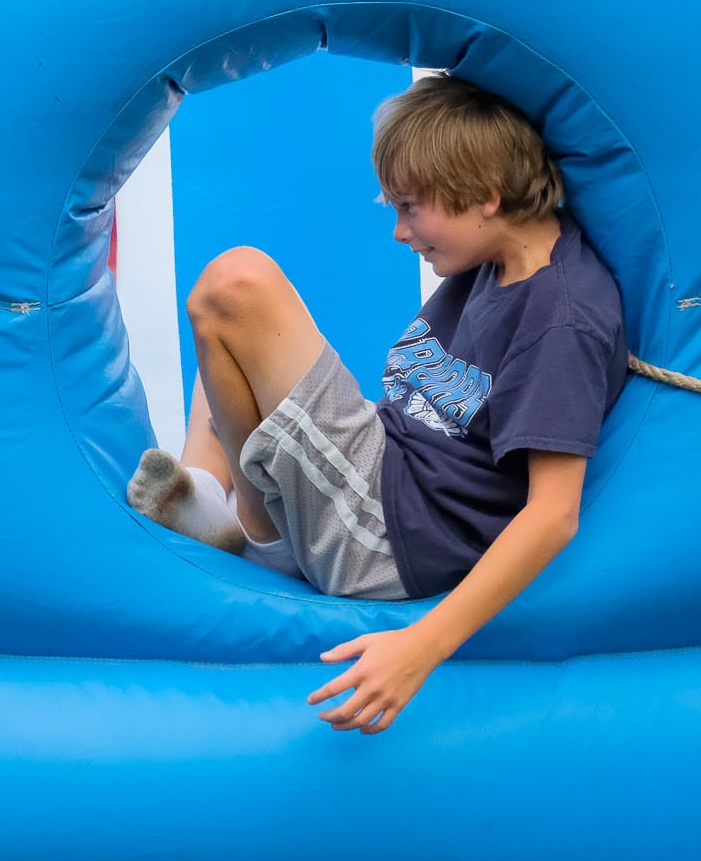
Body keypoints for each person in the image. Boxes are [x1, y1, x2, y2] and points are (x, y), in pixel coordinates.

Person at [127, 73, 625, 734]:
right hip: (387, 461)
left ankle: (254, 531)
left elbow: (553, 514)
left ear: (486, 194)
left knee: (235, 287)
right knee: (234, 351)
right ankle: (211, 494)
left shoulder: (560, 317)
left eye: (411, 208)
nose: (398, 231)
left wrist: (421, 646)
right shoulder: (498, 256)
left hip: (395, 532)